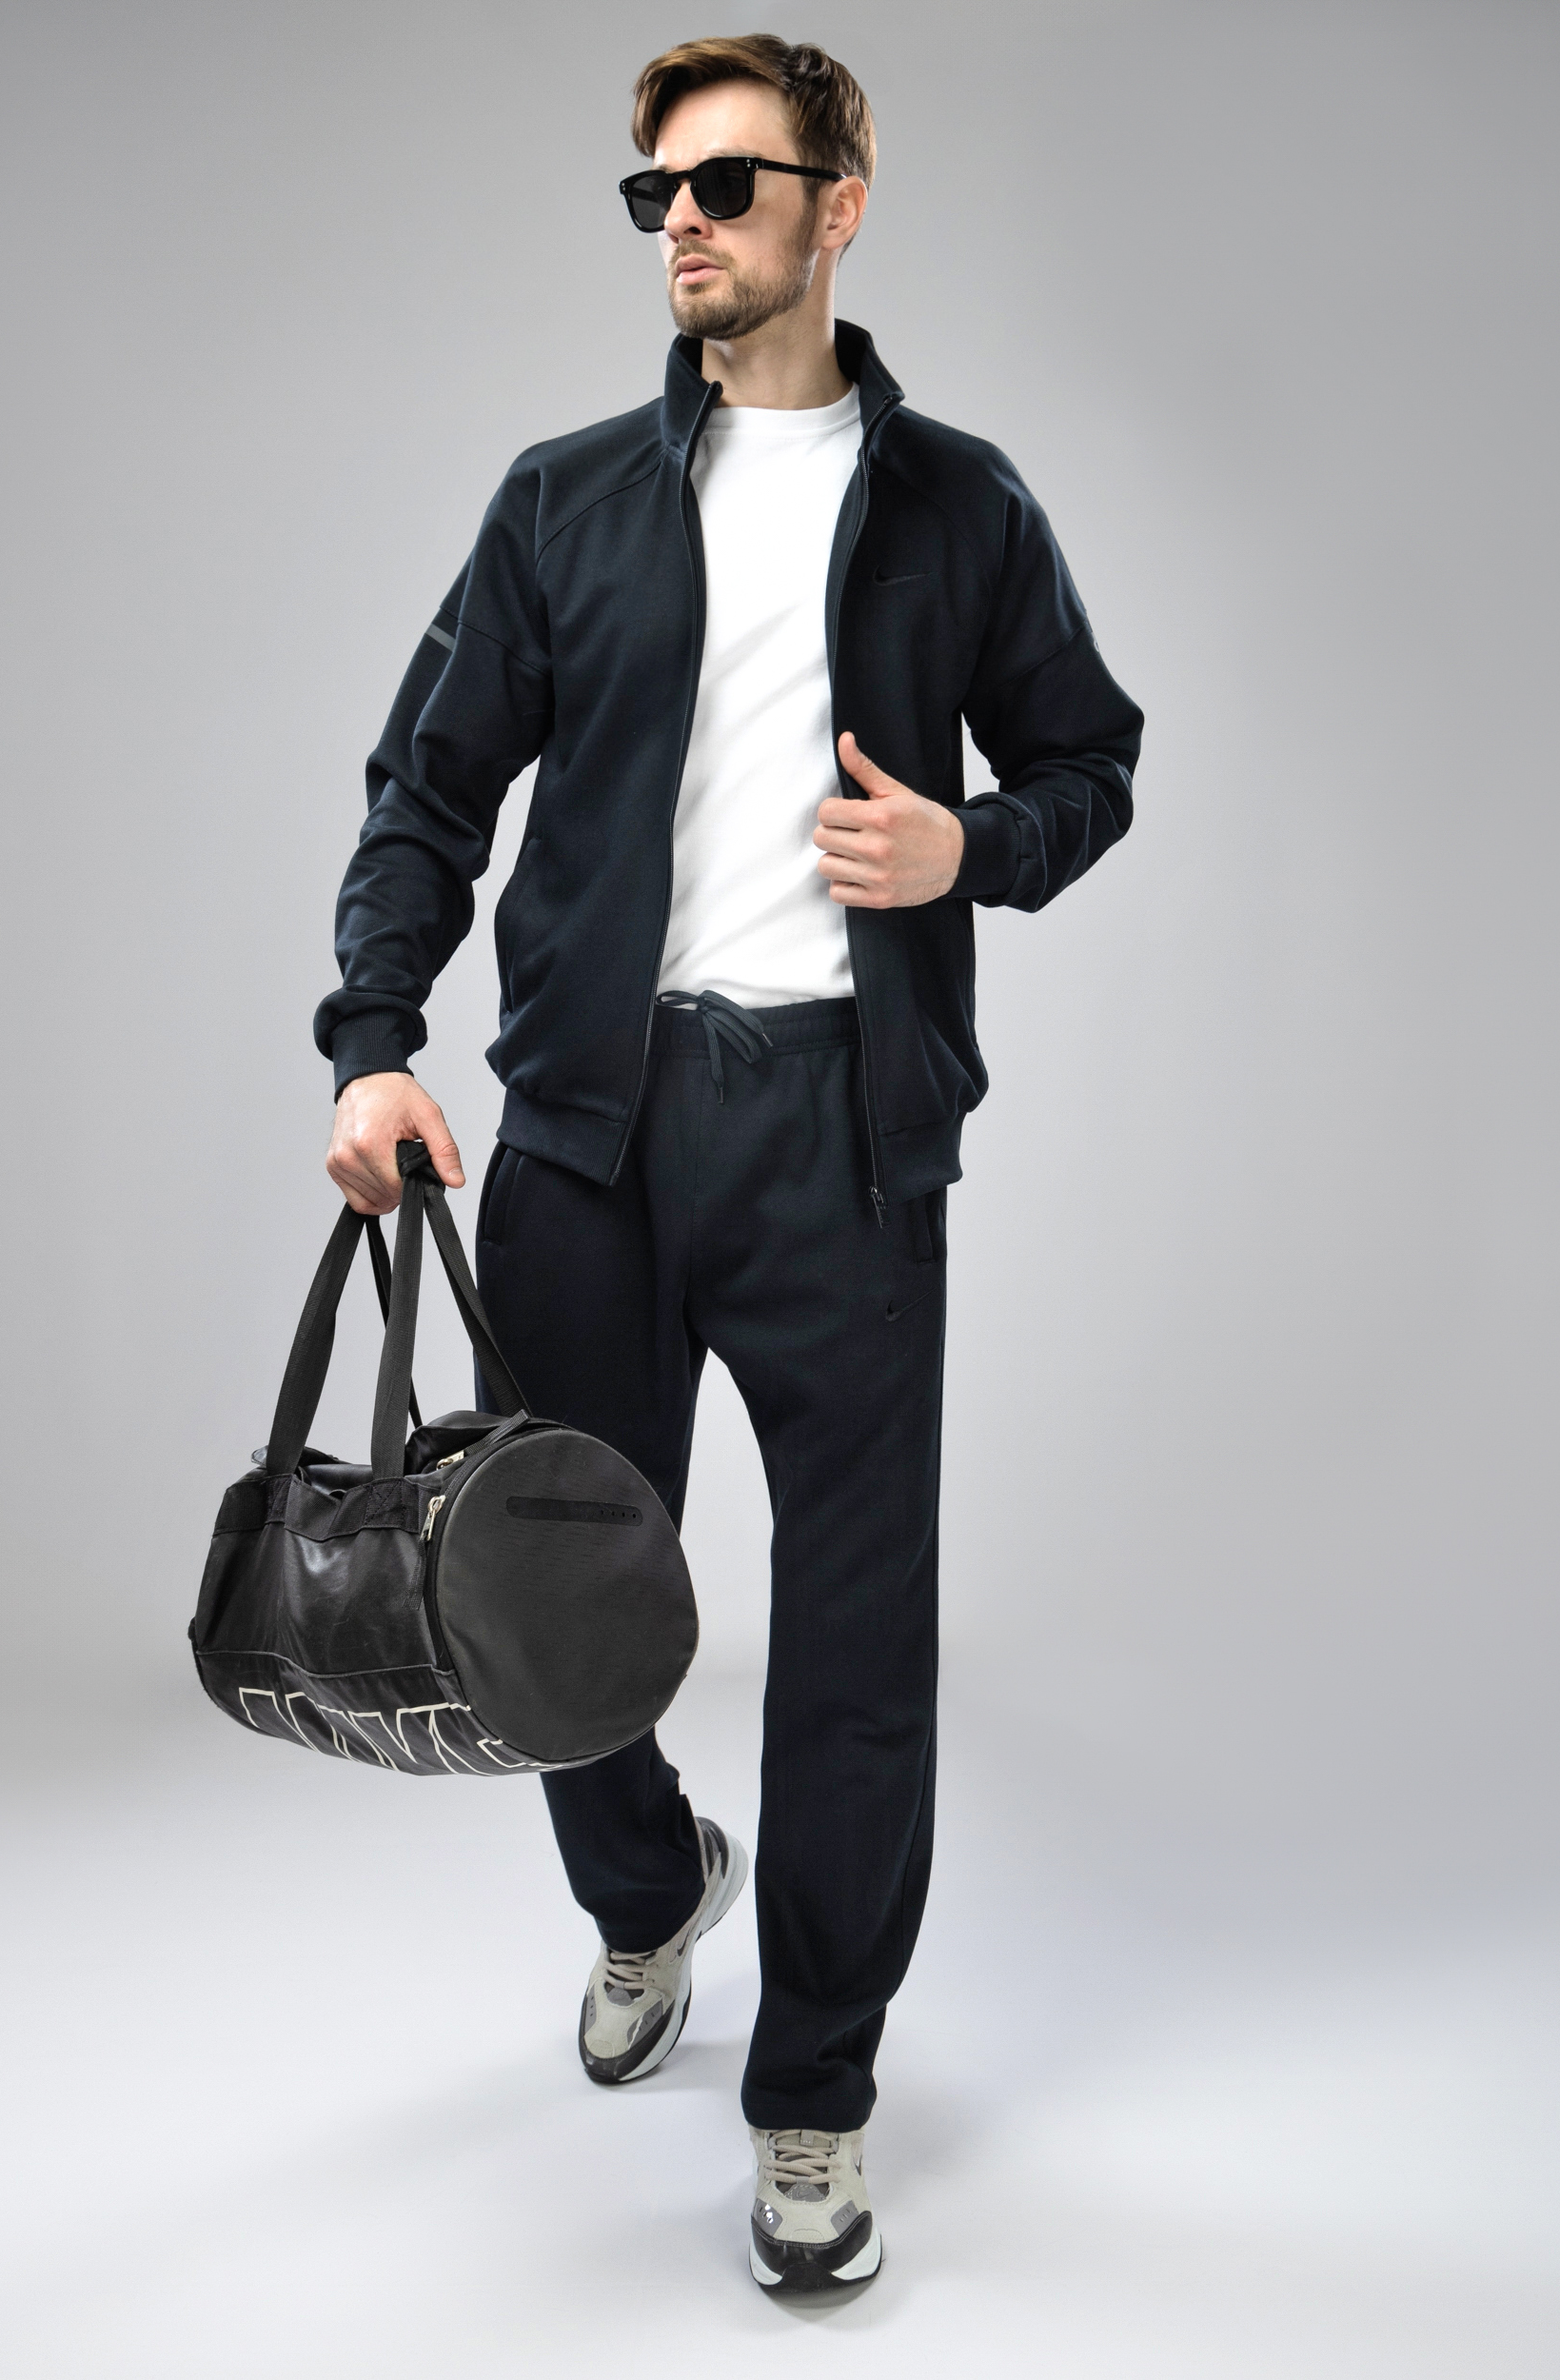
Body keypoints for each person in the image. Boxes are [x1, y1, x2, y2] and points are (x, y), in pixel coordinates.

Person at [316, 32, 1141, 2294]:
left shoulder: (958, 505)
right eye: (652, 192)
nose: (678, 221)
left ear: (836, 204)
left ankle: (814, 2095)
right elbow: (425, 791)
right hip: (587, 1135)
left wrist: (967, 845)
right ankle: (648, 1884)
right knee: (534, 1609)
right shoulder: (562, 499)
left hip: (841, 1142)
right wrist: (374, 1043)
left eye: (725, 184)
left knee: (853, 1640)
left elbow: (1089, 761)